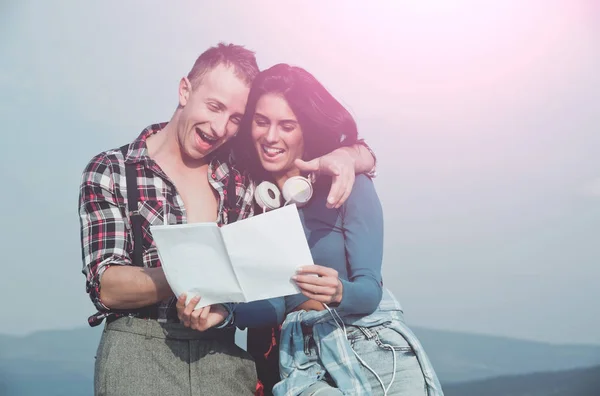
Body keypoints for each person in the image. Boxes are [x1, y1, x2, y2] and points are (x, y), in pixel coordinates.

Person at [78, 43, 377, 396]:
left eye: (236, 118)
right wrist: (199, 272)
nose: (220, 127)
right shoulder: (111, 170)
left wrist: (351, 155)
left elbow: (271, 287)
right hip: (138, 354)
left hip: (225, 358)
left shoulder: (245, 173)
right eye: (214, 107)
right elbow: (107, 286)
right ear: (184, 89)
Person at [232, 64, 444, 395]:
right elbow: (275, 304)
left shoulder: (349, 184)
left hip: (370, 342)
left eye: (287, 125)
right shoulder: (248, 198)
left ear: (307, 129)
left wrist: (338, 292)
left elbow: (370, 291)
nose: (271, 137)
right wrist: (221, 311)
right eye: (262, 122)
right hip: (299, 359)